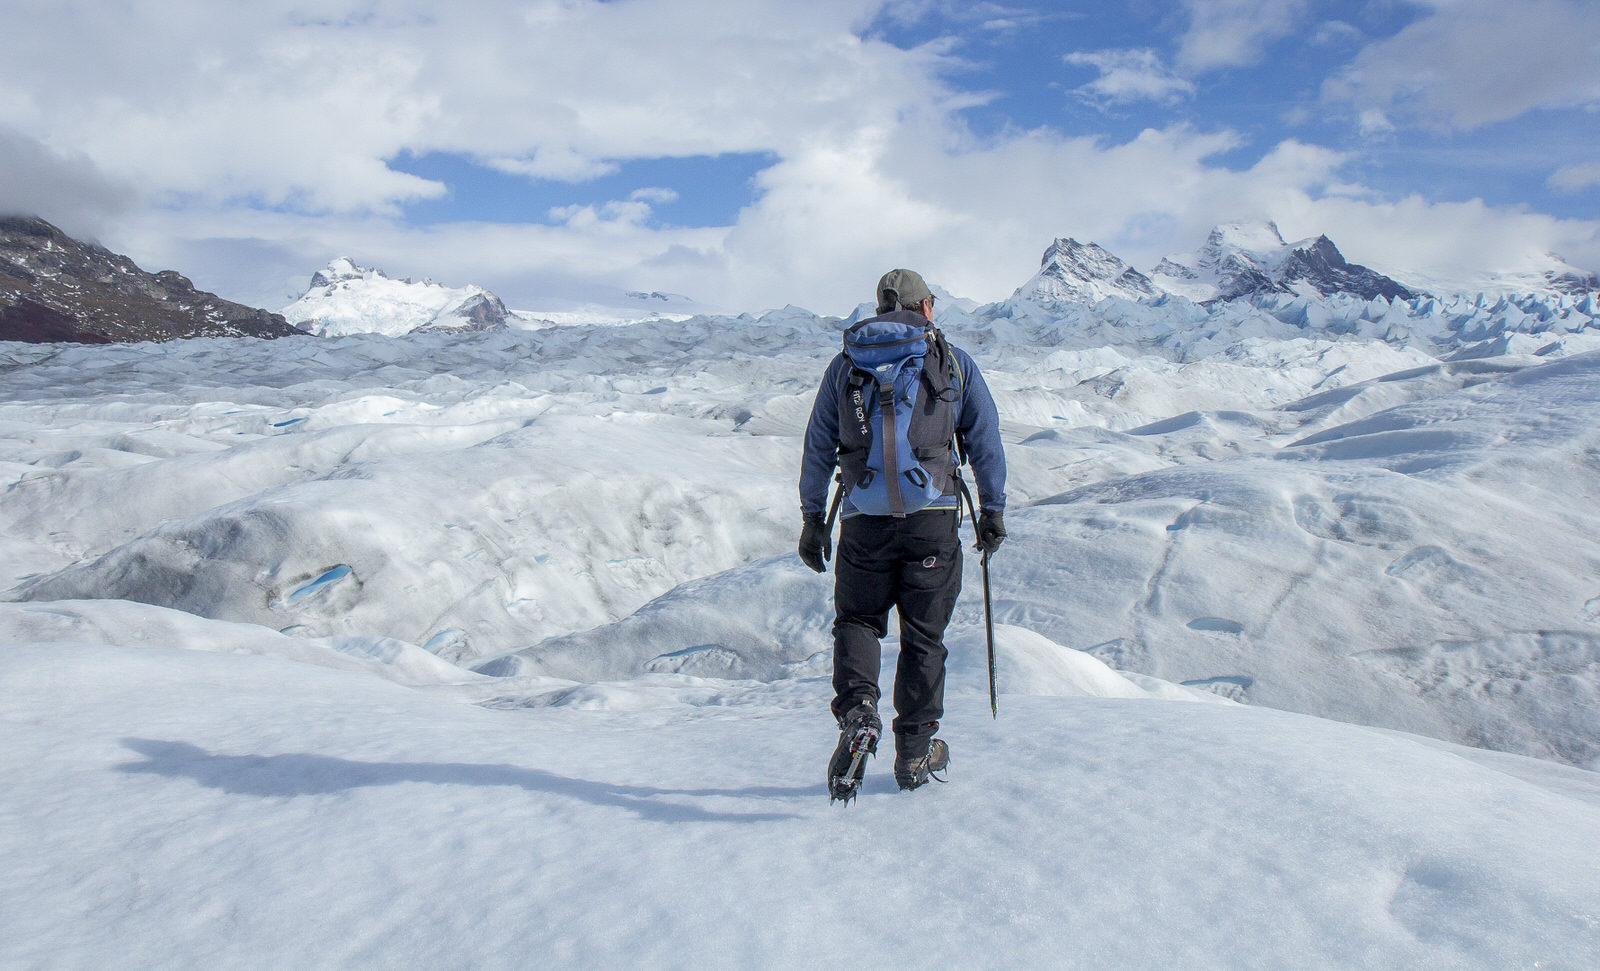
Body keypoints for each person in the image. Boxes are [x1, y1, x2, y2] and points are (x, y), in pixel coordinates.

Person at [798, 268, 1007, 801]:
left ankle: (859, 709)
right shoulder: (953, 362)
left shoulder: (846, 364)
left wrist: (811, 520)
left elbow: (819, 445)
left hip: (863, 521)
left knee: (858, 620)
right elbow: (984, 439)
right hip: (932, 519)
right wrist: (992, 510)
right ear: (925, 308)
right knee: (923, 636)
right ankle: (914, 752)